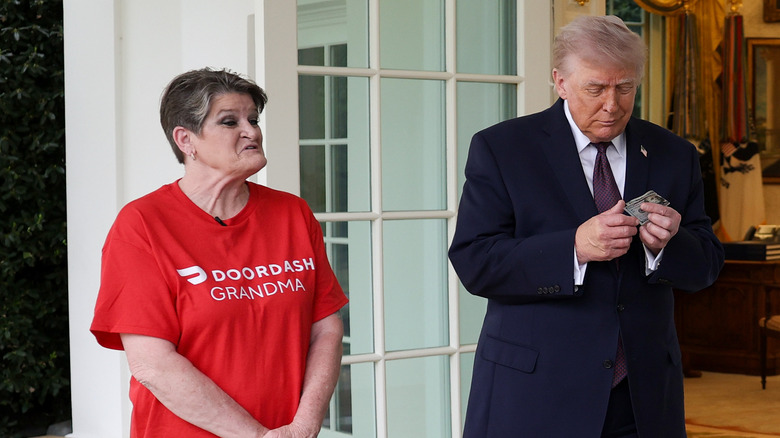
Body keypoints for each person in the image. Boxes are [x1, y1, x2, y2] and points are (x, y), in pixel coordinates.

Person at [449, 15, 723, 438]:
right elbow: (475, 261)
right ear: (560, 82)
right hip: (535, 396)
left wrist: (667, 245)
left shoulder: (674, 154)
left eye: (625, 87)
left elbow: (706, 264)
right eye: (595, 89)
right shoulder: (502, 148)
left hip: (644, 401)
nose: (612, 105)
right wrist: (574, 248)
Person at [90, 68, 348, 438]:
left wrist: (303, 428)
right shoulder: (143, 225)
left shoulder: (293, 213)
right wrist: (257, 436)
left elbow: (326, 327)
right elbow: (153, 365)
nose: (252, 132)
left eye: (253, 119)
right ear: (186, 140)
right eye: (230, 122)